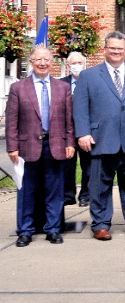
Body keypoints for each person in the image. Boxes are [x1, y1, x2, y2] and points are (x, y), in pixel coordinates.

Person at [73, 31, 125, 241]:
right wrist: (83, 133)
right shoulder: (89, 76)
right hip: (101, 138)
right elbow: (80, 108)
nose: (116, 52)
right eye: (112, 48)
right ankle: (101, 224)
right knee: (100, 185)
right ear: (105, 49)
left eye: (120, 48)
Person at [6, 47, 74, 246]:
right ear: (32, 62)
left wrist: (70, 143)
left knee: (55, 190)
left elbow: (68, 120)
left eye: (46, 59)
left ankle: (53, 229)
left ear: (51, 62)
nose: (43, 63)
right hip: (27, 148)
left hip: (55, 146)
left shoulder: (63, 88)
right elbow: (12, 121)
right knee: (26, 191)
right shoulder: (18, 88)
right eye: (38, 60)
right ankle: (25, 231)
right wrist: (12, 147)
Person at [61, 51, 90, 207]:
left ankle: (86, 195)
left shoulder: (90, 82)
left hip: (85, 131)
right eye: (74, 63)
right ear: (68, 66)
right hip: (67, 132)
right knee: (67, 165)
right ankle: (68, 195)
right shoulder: (61, 84)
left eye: (80, 63)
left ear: (85, 65)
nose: (77, 66)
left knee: (88, 165)